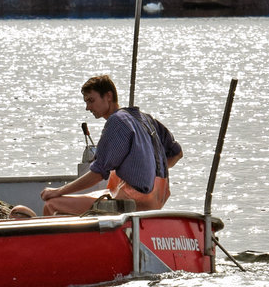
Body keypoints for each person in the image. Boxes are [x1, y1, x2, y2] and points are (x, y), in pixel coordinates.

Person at [41, 74, 182, 216]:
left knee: (52, 204)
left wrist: (58, 191)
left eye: (91, 100)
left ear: (108, 96)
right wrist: (149, 171)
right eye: (86, 102)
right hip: (155, 202)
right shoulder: (146, 119)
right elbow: (176, 153)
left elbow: (98, 173)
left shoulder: (117, 122)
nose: (87, 107)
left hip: (130, 201)